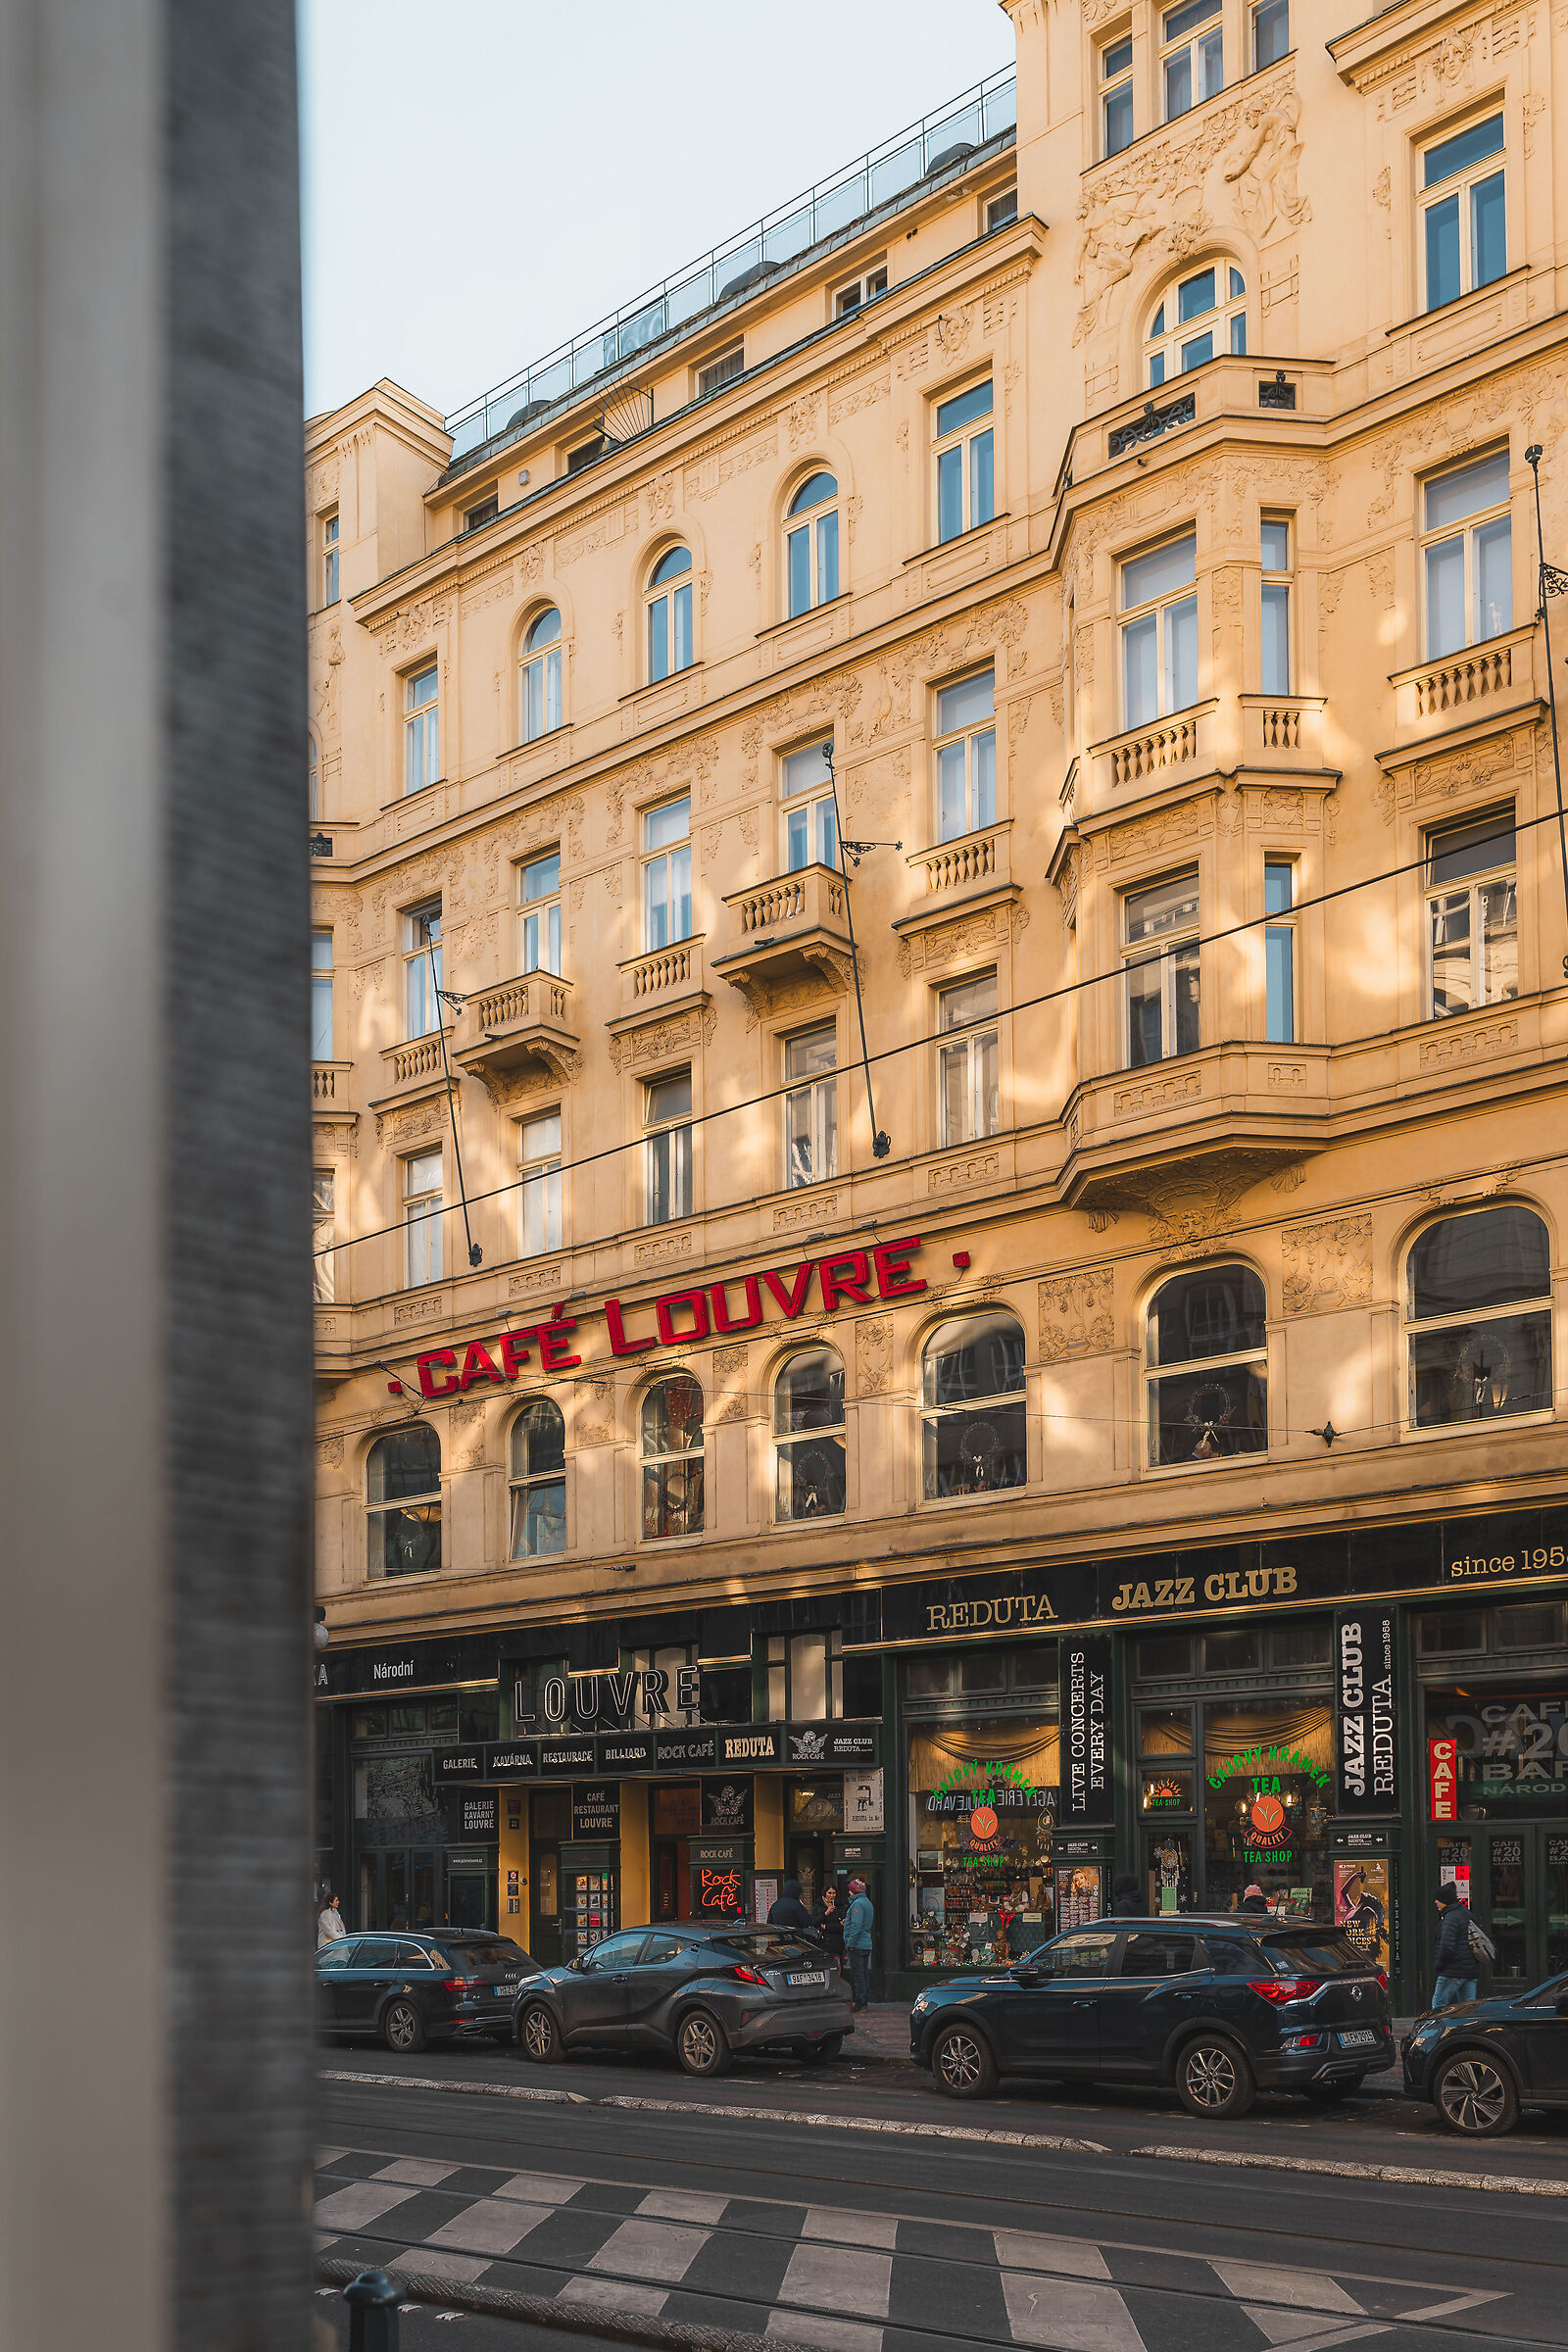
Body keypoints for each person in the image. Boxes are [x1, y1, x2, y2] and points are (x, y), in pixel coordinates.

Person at [1432, 1884, 1479, 2009]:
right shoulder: (1466, 1914)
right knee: (1468, 2008)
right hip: (1469, 1970)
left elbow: (1447, 1947)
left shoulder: (1450, 1918)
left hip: (1452, 1970)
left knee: (1439, 2006)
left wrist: (1438, 1966)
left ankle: (1439, 2023)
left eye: (1438, 1899)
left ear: (1445, 1901)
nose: (1436, 1902)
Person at [844, 1876, 874, 2011]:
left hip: (857, 1944)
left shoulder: (857, 1904)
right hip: (865, 1943)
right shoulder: (867, 1902)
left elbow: (856, 1925)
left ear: (855, 1891)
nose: (849, 1892)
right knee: (864, 1974)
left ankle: (860, 2002)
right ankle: (865, 2000)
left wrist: (850, 1943)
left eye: (850, 1890)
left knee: (858, 1975)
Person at [813, 1884, 846, 1972]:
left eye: (834, 1893)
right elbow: (814, 1922)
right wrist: (825, 1914)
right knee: (823, 1966)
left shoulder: (839, 1906)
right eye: (829, 1893)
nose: (832, 1896)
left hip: (836, 1942)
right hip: (822, 1942)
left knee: (836, 1965)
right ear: (825, 1893)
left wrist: (826, 1927)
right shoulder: (818, 1906)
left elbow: (842, 1925)